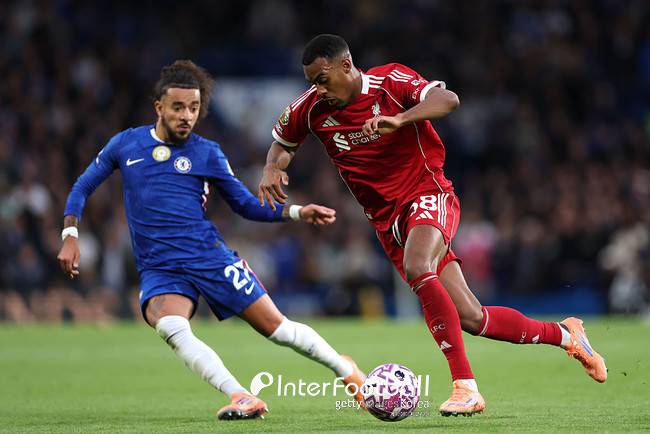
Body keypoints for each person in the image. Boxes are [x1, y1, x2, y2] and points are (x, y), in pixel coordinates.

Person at [257, 34, 607, 417]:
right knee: (473, 317)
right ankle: (565, 335)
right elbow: (282, 144)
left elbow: (448, 99)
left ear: (346, 65)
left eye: (323, 79)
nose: (319, 89)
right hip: (388, 223)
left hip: (427, 193)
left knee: (418, 265)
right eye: (312, 82)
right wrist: (272, 167)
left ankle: (465, 388)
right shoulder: (310, 108)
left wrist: (401, 119)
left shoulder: (390, 82)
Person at [57, 60, 366, 421]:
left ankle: (345, 368)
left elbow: (245, 205)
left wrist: (296, 212)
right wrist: (70, 233)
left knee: (278, 330)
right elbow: (82, 186)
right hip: (160, 266)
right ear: (159, 107)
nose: (186, 115)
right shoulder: (126, 144)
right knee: (170, 326)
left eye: (193, 108)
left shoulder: (207, 153)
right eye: (178, 107)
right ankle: (241, 395)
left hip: (209, 257)